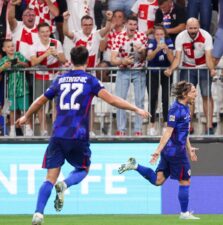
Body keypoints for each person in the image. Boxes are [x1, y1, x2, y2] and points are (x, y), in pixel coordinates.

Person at [16, 46, 150, 225]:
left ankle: (38, 214)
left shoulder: (60, 80)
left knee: (49, 178)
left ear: (71, 60)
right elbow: (112, 100)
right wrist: (136, 108)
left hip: (58, 134)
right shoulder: (90, 81)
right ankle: (65, 184)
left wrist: (26, 116)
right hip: (78, 135)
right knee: (83, 169)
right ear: (87, 61)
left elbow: (40, 100)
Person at [118, 80, 200, 220]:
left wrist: (189, 148)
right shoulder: (175, 109)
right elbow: (168, 132)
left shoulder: (186, 107)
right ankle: (184, 214)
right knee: (185, 181)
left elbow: (183, 131)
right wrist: (157, 150)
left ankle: (135, 165)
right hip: (175, 153)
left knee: (158, 180)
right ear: (185, 94)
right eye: (193, 91)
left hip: (171, 151)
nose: (196, 93)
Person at [164, 17, 216, 135]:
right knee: (187, 98)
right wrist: (171, 69)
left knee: (207, 95)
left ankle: (209, 126)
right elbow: (178, 58)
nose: (193, 31)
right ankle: (188, 126)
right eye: (190, 28)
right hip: (187, 67)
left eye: (195, 28)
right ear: (186, 27)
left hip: (203, 67)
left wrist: (212, 69)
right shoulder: (180, 37)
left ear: (199, 27)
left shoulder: (206, 36)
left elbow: (208, 56)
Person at [111, 16, 148, 136]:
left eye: (134, 25)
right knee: (120, 100)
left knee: (140, 100)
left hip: (139, 71)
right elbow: (113, 59)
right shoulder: (118, 37)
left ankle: (138, 129)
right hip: (123, 71)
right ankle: (121, 129)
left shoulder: (142, 36)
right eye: (130, 24)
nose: (132, 27)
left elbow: (145, 57)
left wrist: (142, 51)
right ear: (126, 24)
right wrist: (123, 61)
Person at [30, 22, 67, 136]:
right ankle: (43, 130)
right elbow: (33, 62)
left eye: (47, 31)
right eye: (42, 32)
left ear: (50, 31)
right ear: (38, 33)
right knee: (40, 104)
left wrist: (56, 54)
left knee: (56, 104)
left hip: (55, 76)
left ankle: (56, 129)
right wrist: (45, 54)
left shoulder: (56, 43)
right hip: (40, 76)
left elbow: (64, 60)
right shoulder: (34, 45)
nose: (45, 34)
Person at [0, 39, 33, 137]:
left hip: (23, 88)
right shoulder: (4, 59)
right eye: (8, 46)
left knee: (26, 109)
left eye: (12, 46)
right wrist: (4, 67)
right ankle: (12, 130)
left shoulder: (19, 55)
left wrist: (20, 63)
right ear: (4, 49)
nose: (11, 48)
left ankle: (28, 129)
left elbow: (27, 65)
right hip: (11, 90)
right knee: (12, 110)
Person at [146, 25, 174, 135]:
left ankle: (166, 123)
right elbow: (149, 58)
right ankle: (151, 124)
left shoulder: (169, 41)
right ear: (154, 35)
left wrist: (166, 50)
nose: (159, 36)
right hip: (153, 72)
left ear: (164, 35)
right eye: (157, 34)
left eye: (161, 34)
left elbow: (172, 60)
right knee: (152, 97)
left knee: (166, 98)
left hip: (166, 73)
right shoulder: (152, 42)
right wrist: (157, 49)